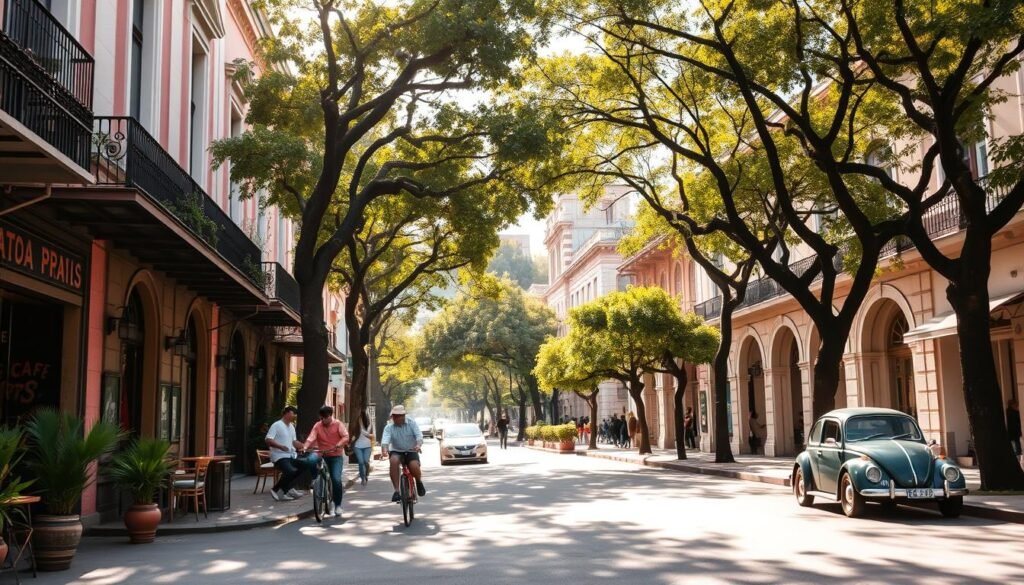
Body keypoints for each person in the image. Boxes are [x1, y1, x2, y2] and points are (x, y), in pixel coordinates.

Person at [304, 405, 350, 517]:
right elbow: (311, 437)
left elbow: (345, 437)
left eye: (325, 417)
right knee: (310, 460)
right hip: (321, 453)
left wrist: (338, 445)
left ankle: (338, 505)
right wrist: (305, 446)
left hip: (335, 455)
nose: (323, 420)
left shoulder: (338, 424)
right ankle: (316, 479)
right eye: (321, 418)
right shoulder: (318, 425)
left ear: (330, 415)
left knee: (336, 480)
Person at [265, 406, 317, 502]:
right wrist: (280, 446)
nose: (295, 416)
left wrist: (305, 446)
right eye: (293, 413)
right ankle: (276, 489)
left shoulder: (291, 426)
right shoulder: (277, 425)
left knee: (305, 465)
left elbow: (294, 442)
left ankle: (287, 489)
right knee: (290, 471)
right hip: (279, 456)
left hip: (291, 455)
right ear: (287, 413)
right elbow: (268, 440)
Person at [381, 405, 425, 503]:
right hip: (396, 450)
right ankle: (397, 491)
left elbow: (419, 436)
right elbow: (385, 440)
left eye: (399, 415)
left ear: (404, 416)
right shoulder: (389, 427)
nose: (397, 418)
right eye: (395, 416)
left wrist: (418, 445)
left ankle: (418, 481)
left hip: (411, 449)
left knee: (414, 466)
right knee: (393, 460)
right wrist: (384, 450)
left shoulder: (411, 423)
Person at [354, 410, 374, 486]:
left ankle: (366, 474)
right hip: (357, 446)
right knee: (361, 462)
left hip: (367, 446)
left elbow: (371, 435)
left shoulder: (370, 425)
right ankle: (363, 478)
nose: (361, 418)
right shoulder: (356, 424)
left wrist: (369, 435)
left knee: (366, 462)